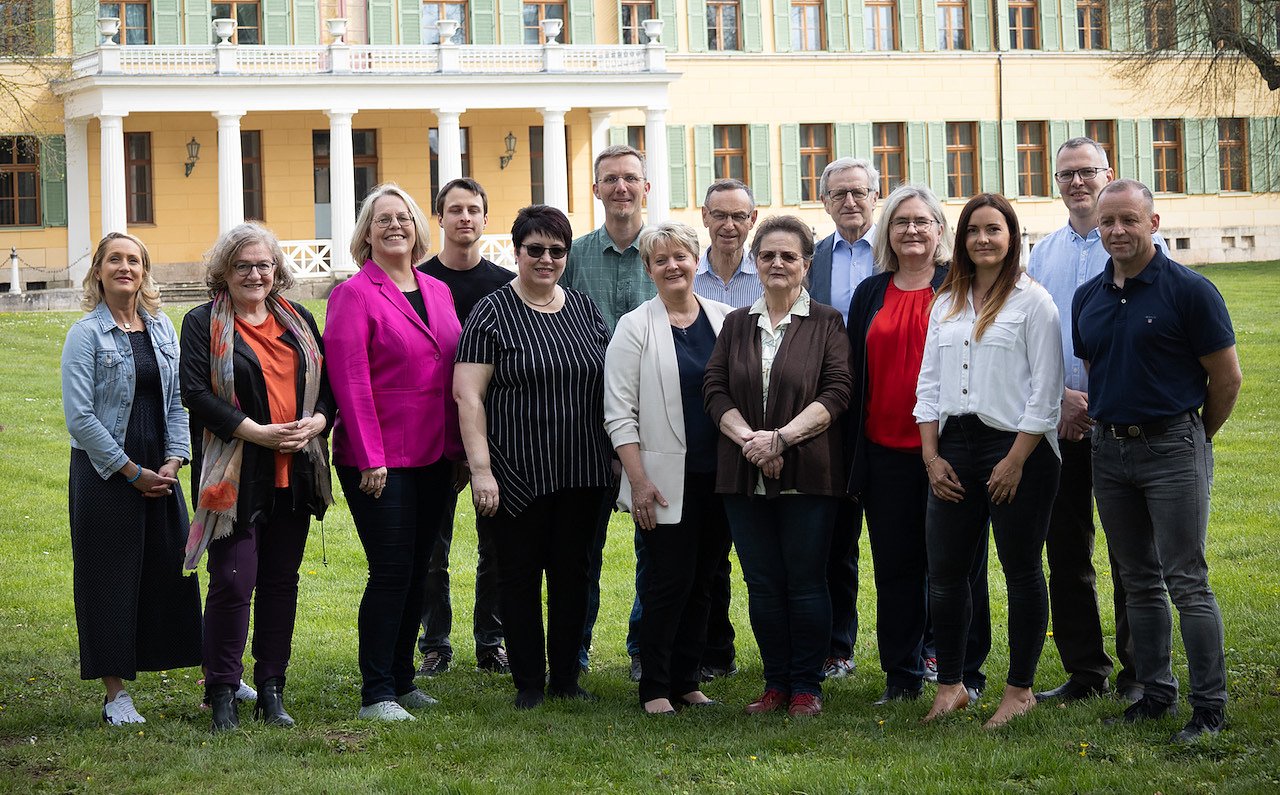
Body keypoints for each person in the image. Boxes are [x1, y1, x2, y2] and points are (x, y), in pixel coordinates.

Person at [1073, 179, 1241, 743]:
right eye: (1108, 222)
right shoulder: (1088, 297)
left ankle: (1209, 706)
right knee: (1138, 580)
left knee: (1186, 580)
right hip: (1108, 451)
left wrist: (1194, 438)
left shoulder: (1190, 291)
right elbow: (1098, 368)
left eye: (1129, 220)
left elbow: (1227, 378)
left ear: (1154, 223)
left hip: (1172, 447)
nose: (1117, 231)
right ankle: (1155, 693)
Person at [454, 205, 614, 710]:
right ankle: (528, 682)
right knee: (518, 578)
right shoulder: (491, 312)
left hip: (583, 469)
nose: (546, 259)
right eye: (535, 249)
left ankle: (566, 678)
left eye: (556, 251)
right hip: (516, 471)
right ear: (517, 251)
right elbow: (468, 396)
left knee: (574, 576)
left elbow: (609, 385)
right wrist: (481, 470)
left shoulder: (584, 309)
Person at [915, 193, 1064, 729]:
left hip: (1018, 448)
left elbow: (1047, 392)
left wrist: (1016, 459)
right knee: (945, 573)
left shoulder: (1033, 302)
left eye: (993, 229)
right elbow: (928, 385)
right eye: (973, 230)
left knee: (1021, 570)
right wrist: (931, 457)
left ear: (1012, 237)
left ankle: (1019, 689)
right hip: (954, 446)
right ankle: (952, 685)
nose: (983, 239)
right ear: (961, 240)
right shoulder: (946, 303)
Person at [180, 222, 332, 732]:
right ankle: (222, 690)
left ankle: (271, 689)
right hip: (234, 471)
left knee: (280, 583)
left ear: (276, 270)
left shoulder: (299, 319)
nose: (254, 274)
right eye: (242, 265)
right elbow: (196, 393)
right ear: (224, 271)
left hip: (295, 469)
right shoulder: (203, 322)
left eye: (263, 265)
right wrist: (257, 433)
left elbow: (326, 387)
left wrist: (318, 422)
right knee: (231, 579)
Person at [1028, 138, 1161, 706]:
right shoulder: (1042, 255)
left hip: (1121, 422)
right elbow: (1030, 335)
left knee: (1133, 555)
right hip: (1059, 422)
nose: (1077, 182)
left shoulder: (1140, 245)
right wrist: (1058, 398)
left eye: (1087, 172)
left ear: (1109, 174)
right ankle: (1085, 671)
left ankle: (1140, 672)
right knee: (1066, 552)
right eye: (1066, 174)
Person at [325, 183, 463, 721]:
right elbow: (351, 381)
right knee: (389, 570)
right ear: (367, 232)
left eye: (403, 217)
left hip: (434, 455)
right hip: (380, 458)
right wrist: (370, 456)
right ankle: (376, 692)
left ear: (417, 227)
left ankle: (403, 682)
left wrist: (458, 451)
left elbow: (450, 372)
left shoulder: (437, 289)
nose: (395, 226)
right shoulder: (353, 294)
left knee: (418, 569)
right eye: (382, 219)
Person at [704, 215, 852, 718]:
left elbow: (838, 392)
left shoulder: (827, 322)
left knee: (806, 581)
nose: (777, 263)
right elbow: (714, 388)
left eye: (789, 256)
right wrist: (751, 441)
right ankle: (775, 684)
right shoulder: (736, 323)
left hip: (808, 472)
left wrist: (782, 439)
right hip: (744, 470)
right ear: (756, 261)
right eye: (767, 255)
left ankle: (806, 686)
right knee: (763, 583)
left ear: (806, 265)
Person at [61, 232, 202, 725]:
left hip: (159, 469)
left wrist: (174, 460)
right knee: (108, 577)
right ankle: (115, 693)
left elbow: (178, 401)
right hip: (105, 471)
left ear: (144, 272)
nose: (125, 267)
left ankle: (216, 675)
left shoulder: (161, 327)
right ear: (98, 271)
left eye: (134, 260)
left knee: (174, 570)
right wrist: (130, 471)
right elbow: (80, 418)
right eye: (114, 260)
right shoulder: (85, 334)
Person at [604, 221, 734, 714]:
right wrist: (637, 482)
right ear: (649, 269)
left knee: (705, 581)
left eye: (680, 256)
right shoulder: (634, 326)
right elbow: (619, 413)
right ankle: (655, 687)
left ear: (696, 261)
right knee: (668, 583)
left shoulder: (726, 318)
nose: (672, 266)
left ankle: (687, 680)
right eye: (661, 260)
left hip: (720, 476)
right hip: (661, 482)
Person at [846, 184, 953, 705]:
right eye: (900, 221)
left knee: (953, 566)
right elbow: (854, 372)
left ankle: (956, 668)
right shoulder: (871, 293)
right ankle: (901, 675)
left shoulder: (960, 286)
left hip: (951, 451)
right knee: (895, 568)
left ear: (939, 230)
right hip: (884, 451)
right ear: (887, 232)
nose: (911, 230)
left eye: (921, 221)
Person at [561, 144, 654, 678]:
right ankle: (574, 649)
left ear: (646, 187)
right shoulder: (572, 257)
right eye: (611, 179)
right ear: (595, 189)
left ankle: (645, 647)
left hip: (657, 417)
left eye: (631, 178)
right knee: (581, 547)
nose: (621, 188)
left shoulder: (665, 250)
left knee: (655, 541)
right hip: (585, 419)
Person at [414, 178, 512, 679]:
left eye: (473, 209)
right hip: (433, 431)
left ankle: (491, 642)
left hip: (496, 432)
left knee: (496, 547)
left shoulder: (505, 285)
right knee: (433, 549)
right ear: (440, 218)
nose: (465, 218)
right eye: (455, 210)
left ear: (485, 219)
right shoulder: (419, 282)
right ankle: (434, 643)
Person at [809, 157, 882, 680]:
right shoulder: (812, 259)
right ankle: (837, 647)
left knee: (906, 535)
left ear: (876, 196)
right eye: (839, 194)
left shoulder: (900, 249)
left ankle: (925, 647)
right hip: (831, 411)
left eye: (859, 192)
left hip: (894, 405)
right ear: (825, 201)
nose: (850, 202)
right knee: (836, 540)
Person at [689, 179, 760, 682]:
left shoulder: (773, 269)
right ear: (705, 217)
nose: (729, 225)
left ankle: (798, 654)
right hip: (704, 425)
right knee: (708, 553)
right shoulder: (687, 274)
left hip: (764, 425)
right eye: (720, 215)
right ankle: (713, 650)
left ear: (753, 220)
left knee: (762, 550)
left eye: (739, 216)